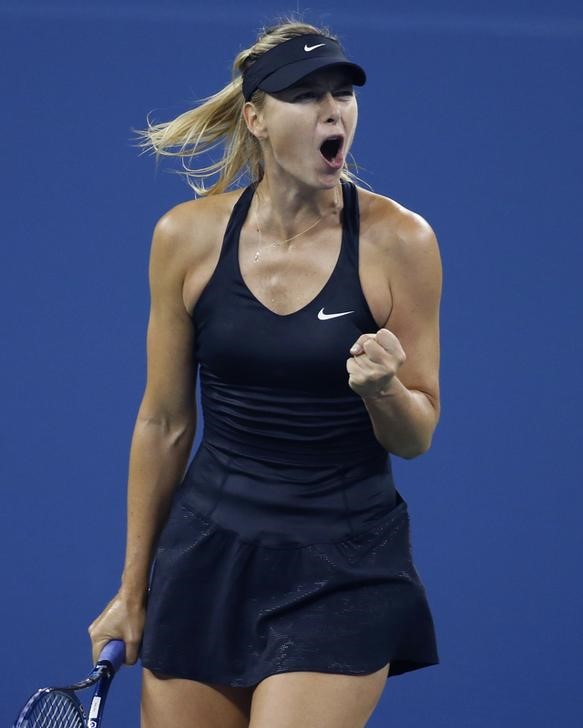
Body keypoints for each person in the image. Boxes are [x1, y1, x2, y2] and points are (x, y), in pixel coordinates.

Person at [89, 18, 442, 728]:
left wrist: (382, 392)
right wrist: (132, 589)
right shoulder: (184, 238)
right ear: (254, 118)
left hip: (342, 565)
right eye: (305, 95)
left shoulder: (400, 242)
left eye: (341, 92)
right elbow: (163, 422)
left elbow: (415, 435)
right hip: (204, 556)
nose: (332, 109)